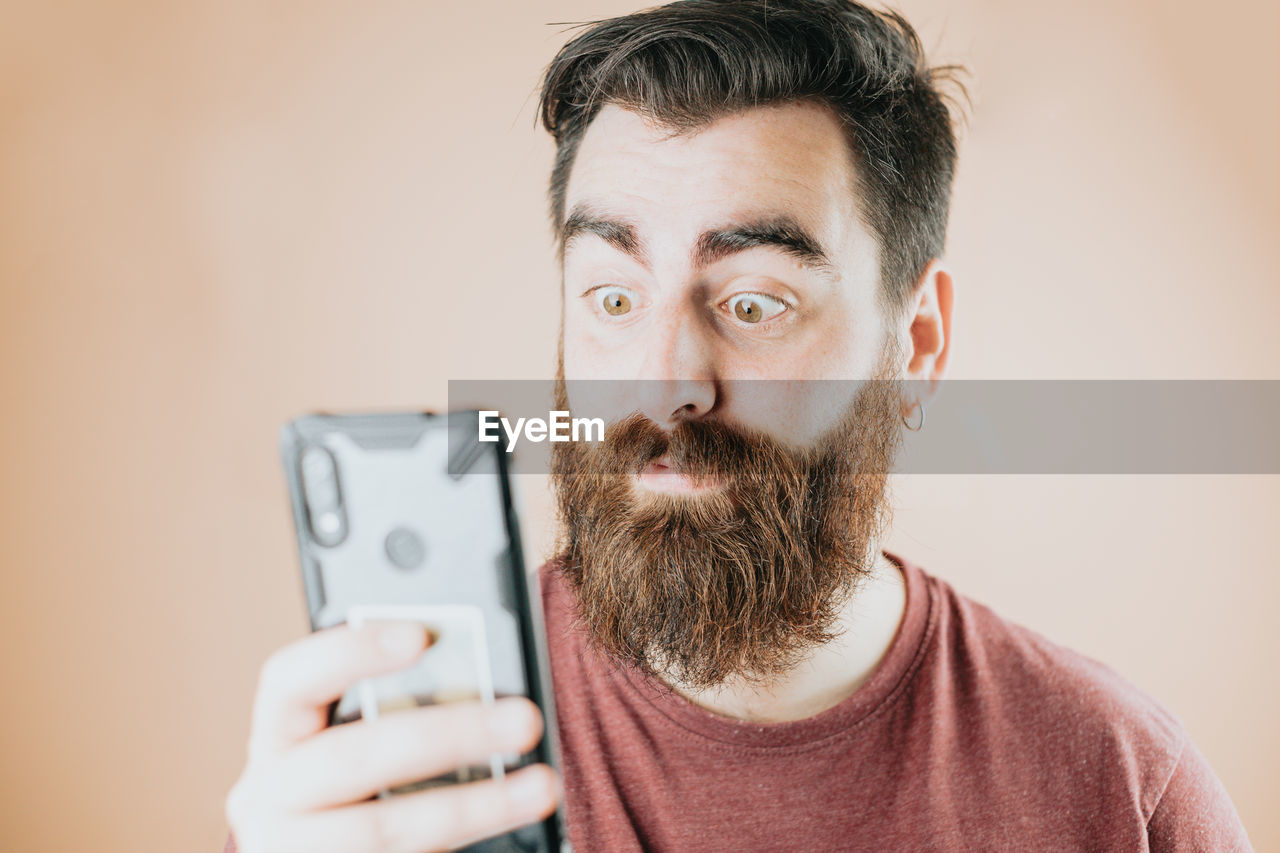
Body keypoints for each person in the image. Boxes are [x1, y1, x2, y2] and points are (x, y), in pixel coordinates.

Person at [223, 1, 1253, 850]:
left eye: (753, 301)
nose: (664, 384)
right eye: (614, 298)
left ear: (919, 343)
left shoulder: (1119, 787)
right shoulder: (389, 766)